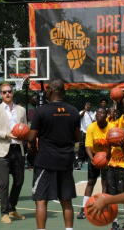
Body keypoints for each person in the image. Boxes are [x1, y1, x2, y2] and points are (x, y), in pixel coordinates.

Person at [28, 78, 80, 230]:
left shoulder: (42, 111)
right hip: (66, 161)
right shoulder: (73, 111)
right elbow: (77, 137)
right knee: (66, 200)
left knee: (41, 200)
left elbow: (31, 137)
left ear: (49, 91)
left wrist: (32, 146)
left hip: (45, 161)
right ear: (63, 91)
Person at [0, 83, 27, 224]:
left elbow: (25, 128)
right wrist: (6, 134)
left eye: (9, 91)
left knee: (19, 181)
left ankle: (12, 208)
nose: (7, 94)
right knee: (4, 183)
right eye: (4, 92)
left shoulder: (21, 110)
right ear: (1, 94)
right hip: (2, 150)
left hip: (17, 149)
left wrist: (23, 136)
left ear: (13, 93)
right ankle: (4, 213)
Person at [77, 107, 115, 219]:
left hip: (107, 157)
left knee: (105, 182)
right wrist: (92, 159)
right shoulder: (91, 127)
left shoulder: (111, 127)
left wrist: (107, 159)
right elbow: (88, 145)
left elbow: (112, 145)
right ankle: (84, 208)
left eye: (102, 112)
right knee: (91, 182)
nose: (99, 114)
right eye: (97, 112)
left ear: (106, 115)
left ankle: (103, 205)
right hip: (94, 156)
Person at [76, 101, 95, 170]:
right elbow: (80, 117)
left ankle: (87, 159)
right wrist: (85, 110)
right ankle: (80, 159)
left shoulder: (92, 113)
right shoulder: (82, 112)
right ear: (85, 105)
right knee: (81, 145)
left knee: (88, 145)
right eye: (87, 105)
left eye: (89, 105)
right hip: (83, 130)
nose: (88, 106)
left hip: (89, 132)